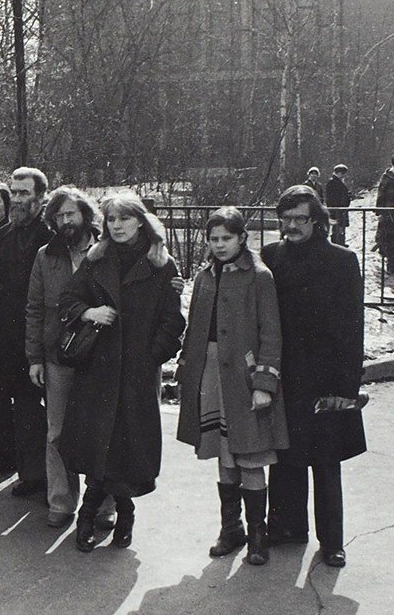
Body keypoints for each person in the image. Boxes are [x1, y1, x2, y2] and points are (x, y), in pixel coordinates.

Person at [60, 192, 186, 552]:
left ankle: (123, 514)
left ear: (141, 222)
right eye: (111, 219)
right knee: (97, 443)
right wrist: (90, 313)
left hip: (135, 373)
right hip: (97, 369)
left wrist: (150, 357)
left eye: (124, 219)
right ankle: (90, 514)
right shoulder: (95, 258)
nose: (116, 226)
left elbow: (172, 320)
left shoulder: (162, 264)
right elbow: (68, 300)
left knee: (125, 448)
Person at [176, 207, 288, 566]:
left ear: (243, 238)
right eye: (214, 238)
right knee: (223, 454)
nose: (220, 245)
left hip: (243, 378)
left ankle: (258, 534)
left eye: (227, 238)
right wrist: (186, 368)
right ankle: (231, 528)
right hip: (210, 373)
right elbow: (195, 327)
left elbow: (271, 333)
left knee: (249, 457)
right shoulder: (205, 276)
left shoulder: (259, 277)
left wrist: (264, 383)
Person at [261, 186, 366, 568]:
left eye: (300, 219)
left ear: (317, 220)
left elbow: (353, 329)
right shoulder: (272, 256)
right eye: (285, 219)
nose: (291, 226)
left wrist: (345, 388)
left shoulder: (342, 260)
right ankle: (287, 528)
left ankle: (332, 541)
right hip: (286, 372)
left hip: (326, 375)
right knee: (285, 453)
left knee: (325, 459)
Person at [26, 186, 116, 530]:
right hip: (57, 354)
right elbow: (33, 308)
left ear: (85, 215)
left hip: (100, 355)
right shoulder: (45, 256)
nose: (66, 221)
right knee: (56, 431)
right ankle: (61, 501)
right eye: (59, 215)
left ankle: (104, 506)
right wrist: (34, 356)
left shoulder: (106, 250)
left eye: (71, 214)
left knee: (100, 430)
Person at [0, 167, 51, 494]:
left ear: (40, 197)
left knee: (29, 407)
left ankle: (34, 474)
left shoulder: (51, 236)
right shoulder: (2, 235)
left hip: (35, 337)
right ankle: (5, 457)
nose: (18, 199)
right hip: (0, 337)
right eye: (16, 192)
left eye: (25, 193)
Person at [325, 164, 352, 246]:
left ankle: (340, 242)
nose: (344, 176)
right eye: (343, 174)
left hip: (341, 209)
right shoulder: (332, 182)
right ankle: (337, 244)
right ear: (339, 173)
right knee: (337, 227)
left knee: (340, 227)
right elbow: (330, 198)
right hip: (337, 209)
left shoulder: (338, 182)